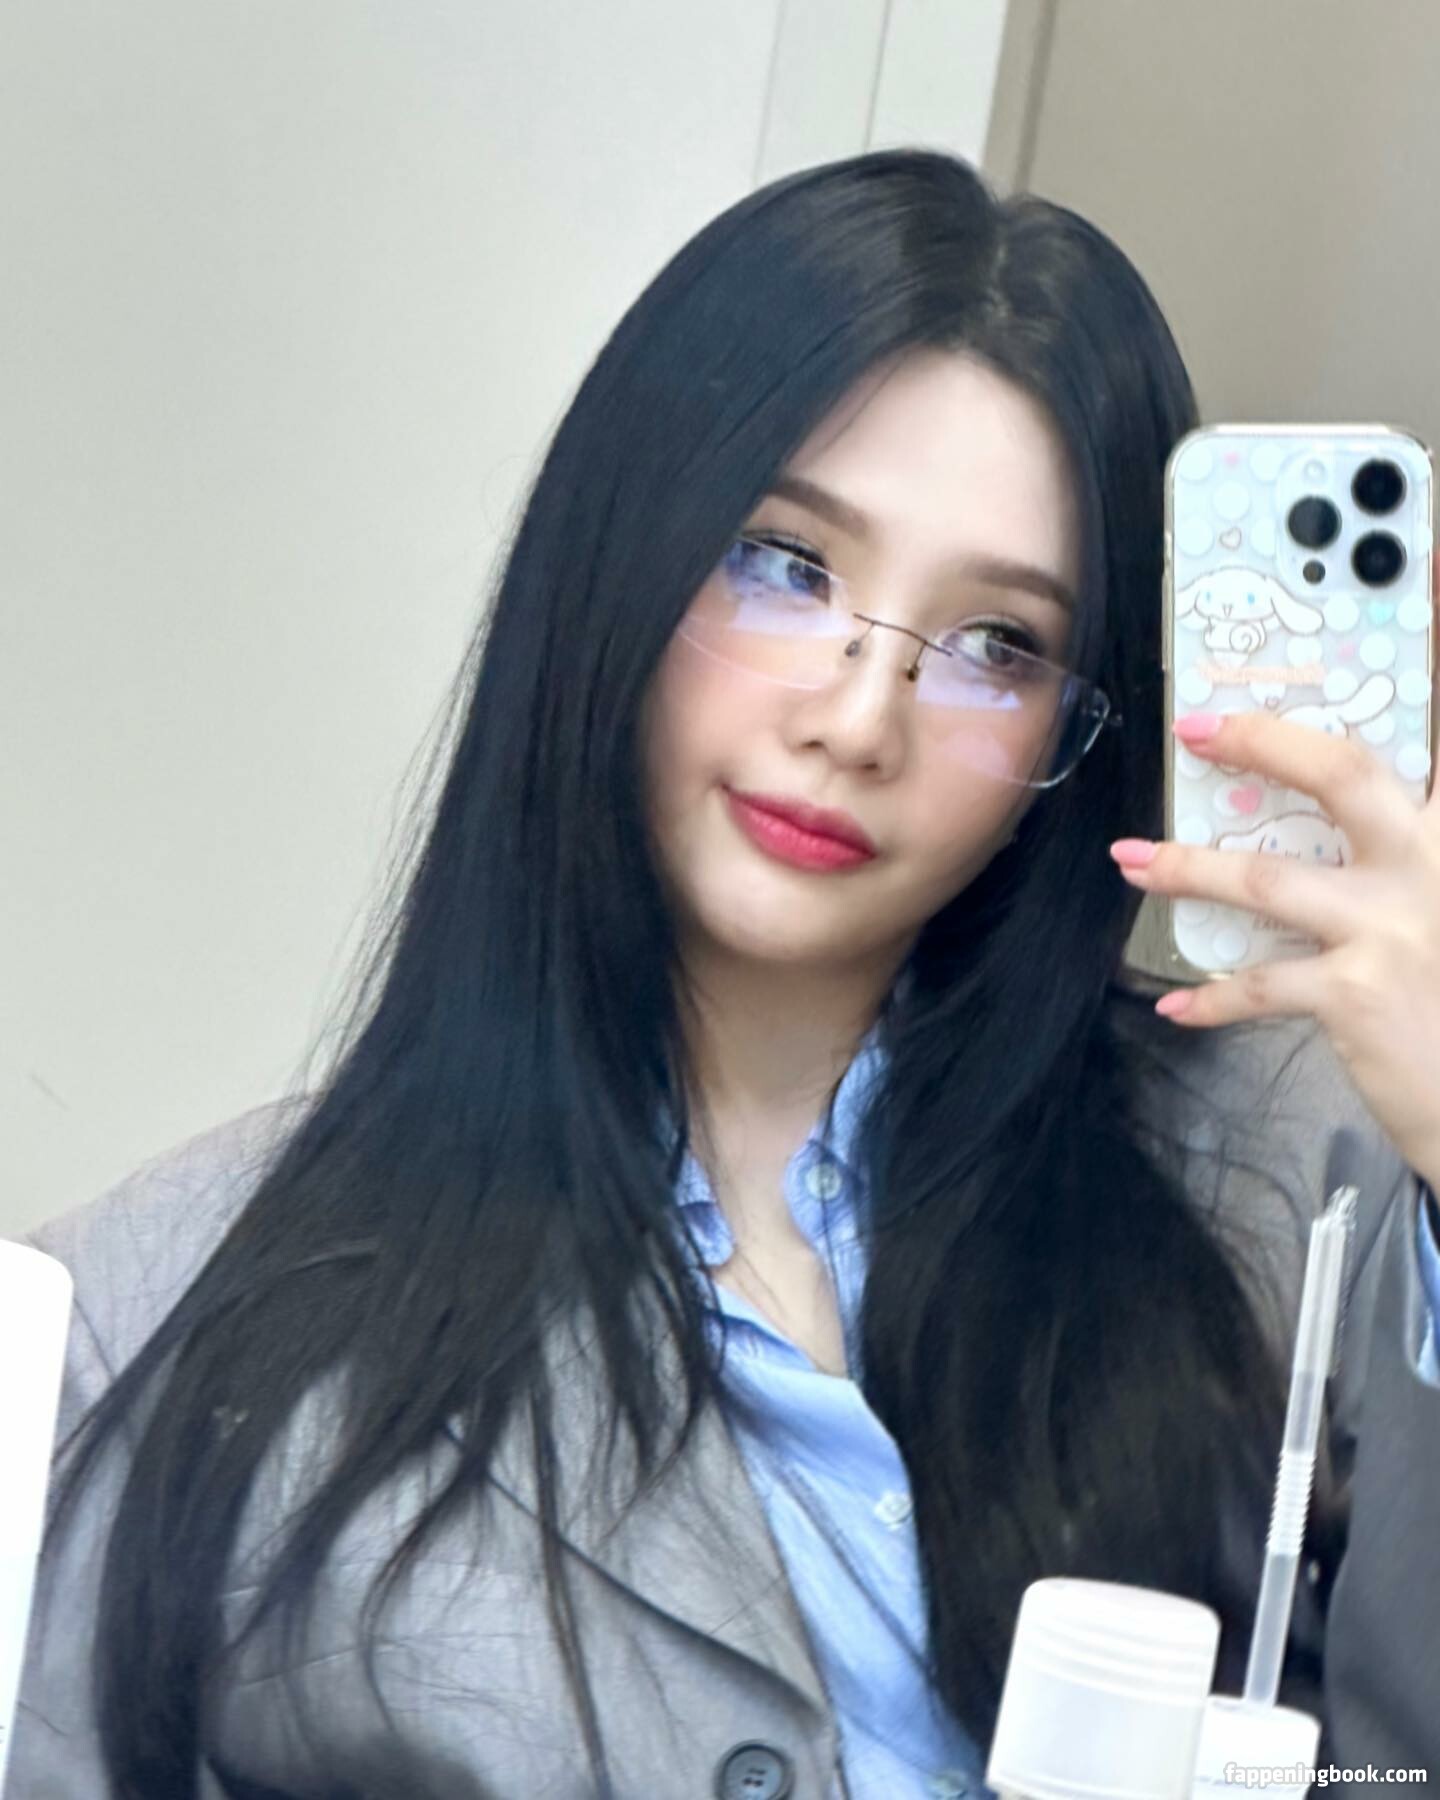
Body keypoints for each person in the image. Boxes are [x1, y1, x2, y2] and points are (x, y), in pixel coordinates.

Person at [10, 149, 1440, 1800]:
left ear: (1077, 729)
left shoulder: (1313, 1188)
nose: (859, 717)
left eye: (999, 646)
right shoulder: (156, 1305)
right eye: (786, 562)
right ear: (618, 556)